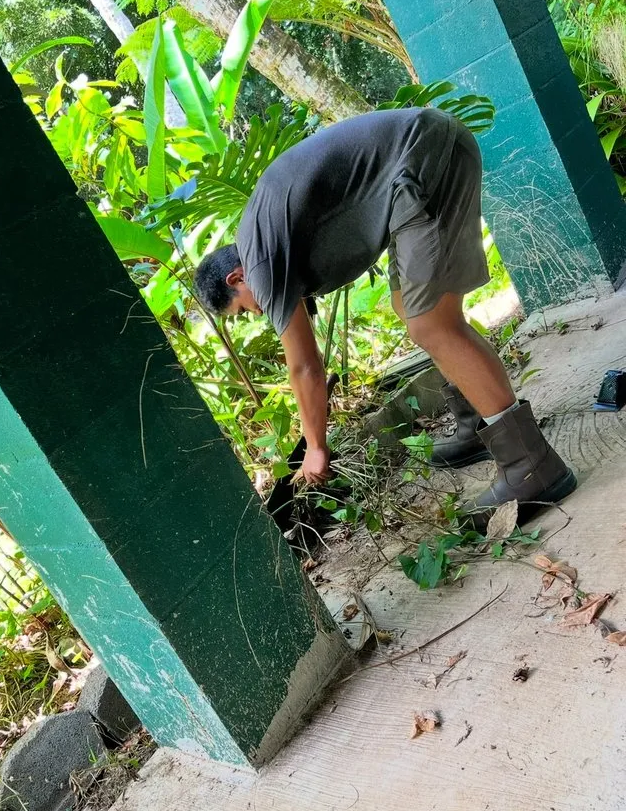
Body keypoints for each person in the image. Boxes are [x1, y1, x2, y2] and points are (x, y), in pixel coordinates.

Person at [193, 108, 576, 517]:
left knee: (431, 323)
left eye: (243, 310)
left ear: (236, 279)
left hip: (423, 160)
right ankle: (477, 425)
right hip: (421, 161)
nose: (255, 313)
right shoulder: (260, 241)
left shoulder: (259, 260)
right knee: (408, 308)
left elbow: (305, 367)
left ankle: (530, 465)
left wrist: (317, 448)